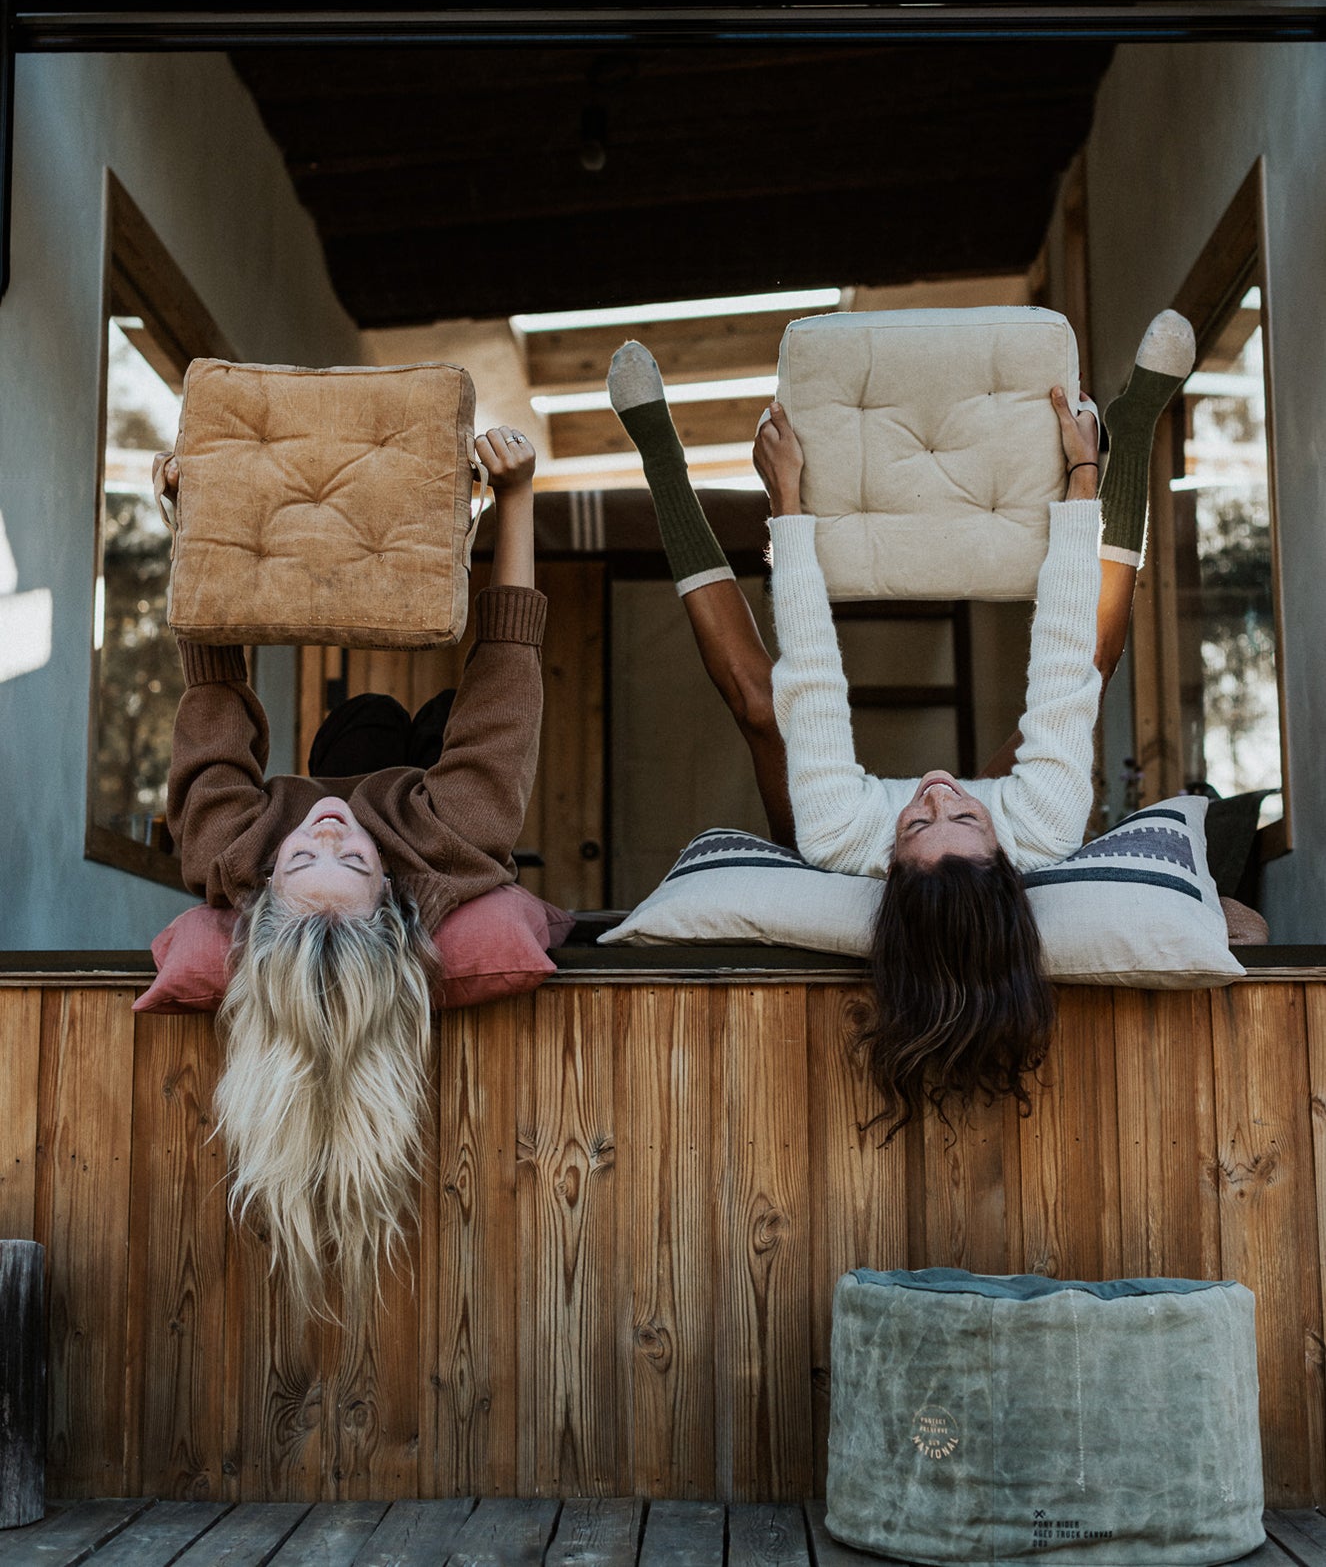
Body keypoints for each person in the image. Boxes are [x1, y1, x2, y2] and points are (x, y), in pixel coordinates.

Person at [607, 317, 1194, 1135]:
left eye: (921, 819)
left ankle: (658, 455)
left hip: (832, 819)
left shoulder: (844, 840)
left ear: (890, 861)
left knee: (760, 704)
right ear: (1004, 853)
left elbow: (808, 665)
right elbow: (1062, 652)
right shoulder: (1043, 824)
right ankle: (1136, 421)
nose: (937, 788)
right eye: (962, 814)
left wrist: (788, 502)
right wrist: (1087, 470)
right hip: (1007, 812)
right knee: (1085, 674)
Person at [156, 425, 544, 1314]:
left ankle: (365, 734)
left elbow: (211, 692)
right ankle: (405, 751)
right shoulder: (456, 846)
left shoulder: (229, 848)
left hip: (344, 756)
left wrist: (195, 526)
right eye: (352, 860)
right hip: (428, 792)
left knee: (364, 712)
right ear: (396, 900)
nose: (331, 829)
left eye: (305, 854)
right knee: (450, 710)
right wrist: (517, 497)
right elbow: (509, 674)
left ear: (262, 888)